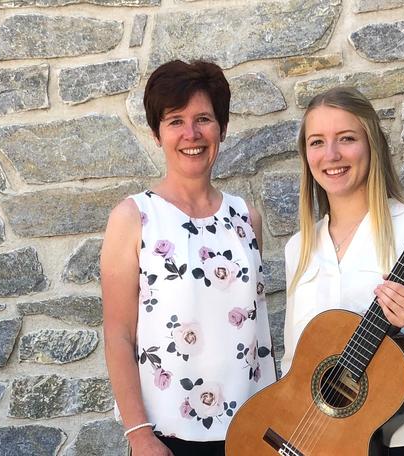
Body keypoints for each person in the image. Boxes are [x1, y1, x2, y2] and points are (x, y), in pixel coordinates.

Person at [281, 87, 404, 456]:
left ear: (372, 145)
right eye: (317, 142)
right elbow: (293, 362)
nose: (331, 155)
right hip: (311, 445)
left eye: (346, 139)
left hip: (401, 441)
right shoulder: (299, 247)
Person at [101, 60, 276, 456]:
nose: (191, 134)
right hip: (167, 435)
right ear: (156, 133)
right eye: (175, 120)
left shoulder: (246, 218)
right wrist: (140, 436)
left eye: (203, 119)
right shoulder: (133, 218)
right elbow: (118, 335)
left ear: (222, 128)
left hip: (252, 431)